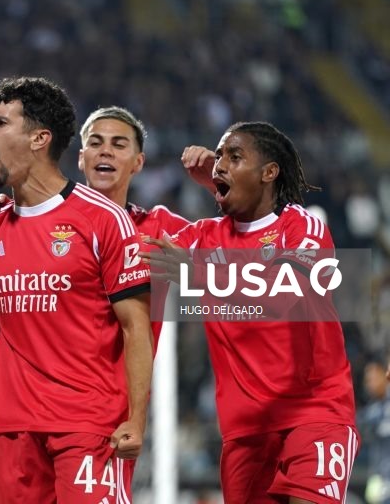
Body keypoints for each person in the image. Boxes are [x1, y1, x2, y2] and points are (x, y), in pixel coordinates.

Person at [0, 77, 154, 502]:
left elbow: (135, 327)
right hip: (11, 429)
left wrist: (137, 420)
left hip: (87, 426)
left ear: (38, 139)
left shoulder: (103, 220)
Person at [144, 121, 359, 503]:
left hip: (314, 416)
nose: (220, 163)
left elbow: (286, 287)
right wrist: (13, 211)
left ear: (269, 172)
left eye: (235, 156)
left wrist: (199, 273)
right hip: (245, 434)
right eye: (220, 156)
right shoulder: (202, 237)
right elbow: (125, 245)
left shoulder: (301, 226)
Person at [0, 105, 190, 352]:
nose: (105, 152)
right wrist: (13, 220)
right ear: (82, 158)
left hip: (124, 388)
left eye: (119, 145)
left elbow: (241, 278)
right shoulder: (42, 224)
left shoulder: (158, 228)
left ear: (138, 162)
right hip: (48, 385)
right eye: (95, 143)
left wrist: (216, 185)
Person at [361, 355, 390, 504]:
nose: (369, 384)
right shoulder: (373, 410)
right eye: (367, 380)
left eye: (372, 378)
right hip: (380, 481)